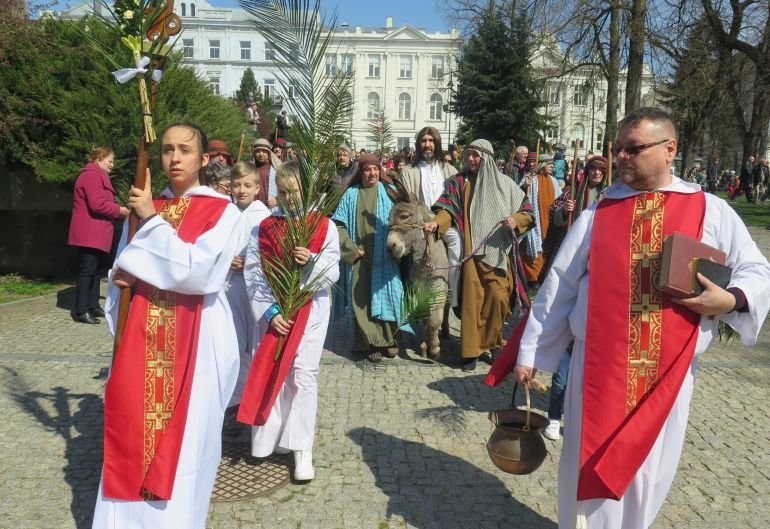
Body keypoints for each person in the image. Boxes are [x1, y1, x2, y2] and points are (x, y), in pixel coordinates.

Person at [513, 108, 770, 529]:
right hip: (596, 370)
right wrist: (532, 352)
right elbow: (560, 285)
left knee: (648, 472)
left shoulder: (709, 210)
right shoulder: (600, 212)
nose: (621, 158)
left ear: (670, 149)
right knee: (586, 472)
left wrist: (731, 300)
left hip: (667, 373)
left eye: (633, 149)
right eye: (618, 150)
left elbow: (756, 271)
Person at [92, 122, 243, 529]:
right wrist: (119, 276)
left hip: (198, 340)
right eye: (166, 150)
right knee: (129, 435)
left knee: (188, 444)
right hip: (142, 339)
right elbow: (124, 268)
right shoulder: (147, 206)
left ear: (203, 159)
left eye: (184, 150)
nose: (174, 158)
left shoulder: (223, 211)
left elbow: (200, 273)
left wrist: (149, 219)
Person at [241, 161, 340, 480]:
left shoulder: (323, 225)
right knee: (275, 372)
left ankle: (302, 449)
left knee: (302, 374)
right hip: (275, 314)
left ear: (306, 189)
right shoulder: (264, 227)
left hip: (310, 310)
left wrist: (311, 261)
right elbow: (253, 272)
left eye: (294, 191)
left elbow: (334, 270)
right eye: (282, 192)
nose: (288, 198)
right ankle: (272, 439)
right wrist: (269, 311)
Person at [425, 140, 534, 371]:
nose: (471, 160)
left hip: (498, 253)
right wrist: (437, 223)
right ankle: (471, 352)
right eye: (468, 156)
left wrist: (516, 220)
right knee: (472, 303)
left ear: (487, 158)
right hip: (472, 254)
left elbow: (527, 211)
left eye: (475, 156)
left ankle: (493, 342)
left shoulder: (506, 184)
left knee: (499, 298)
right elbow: (447, 209)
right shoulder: (459, 182)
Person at [540, 155, 609, 441]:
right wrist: (563, 211)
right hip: (570, 260)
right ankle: (555, 416)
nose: (595, 173)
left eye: (600, 170)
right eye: (592, 168)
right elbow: (553, 216)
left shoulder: (611, 195)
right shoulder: (571, 189)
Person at [332, 154, 403, 362]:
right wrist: (350, 249)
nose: (371, 173)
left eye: (375, 169)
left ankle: (388, 340)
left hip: (386, 256)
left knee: (388, 296)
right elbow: (338, 224)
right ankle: (369, 343)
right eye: (367, 169)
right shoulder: (351, 195)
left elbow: (401, 218)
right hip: (360, 256)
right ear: (360, 172)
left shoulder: (388, 192)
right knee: (362, 300)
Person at [397, 127, 461, 310]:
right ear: (419, 145)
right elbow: (407, 204)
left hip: (445, 224)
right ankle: (411, 302)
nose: (427, 145)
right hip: (419, 226)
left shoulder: (450, 170)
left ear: (437, 144)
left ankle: (453, 297)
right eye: (424, 141)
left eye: (431, 141)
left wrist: (441, 221)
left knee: (457, 243)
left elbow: (456, 201)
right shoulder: (409, 172)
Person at [226, 162, 271, 411]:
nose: (241, 190)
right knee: (232, 343)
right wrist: (225, 261)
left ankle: (252, 400)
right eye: (236, 185)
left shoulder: (263, 216)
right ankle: (234, 402)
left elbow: (271, 251)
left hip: (255, 290)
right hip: (228, 288)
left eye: (247, 185)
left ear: (257, 188)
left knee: (253, 344)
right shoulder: (226, 213)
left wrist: (249, 263)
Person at [68, 147, 130, 324]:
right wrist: (120, 210)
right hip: (90, 231)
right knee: (88, 270)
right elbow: (97, 204)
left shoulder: (97, 175)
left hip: (98, 231)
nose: (112, 165)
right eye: (110, 161)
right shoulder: (91, 175)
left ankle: (92, 304)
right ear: (98, 160)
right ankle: (81, 309)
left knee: (96, 270)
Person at [520, 154, 561, 287]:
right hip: (535, 219)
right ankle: (533, 279)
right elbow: (518, 194)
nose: (552, 167)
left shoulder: (554, 181)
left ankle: (544, 275)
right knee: (533, 247)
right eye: (549, 164)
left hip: (549, 220)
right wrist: (525, 186)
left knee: (547, 246)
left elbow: (560, 199)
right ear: (542, 165)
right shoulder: (530, 179)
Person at [252, 138, 282, 208]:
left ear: (268, 153)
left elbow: (286, 189)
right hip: (253, 208)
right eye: (258, 151)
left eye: (264, 151)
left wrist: (277, 200)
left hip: (272, 210)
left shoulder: (276, 169)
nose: (261, 154)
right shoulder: (250, 169)